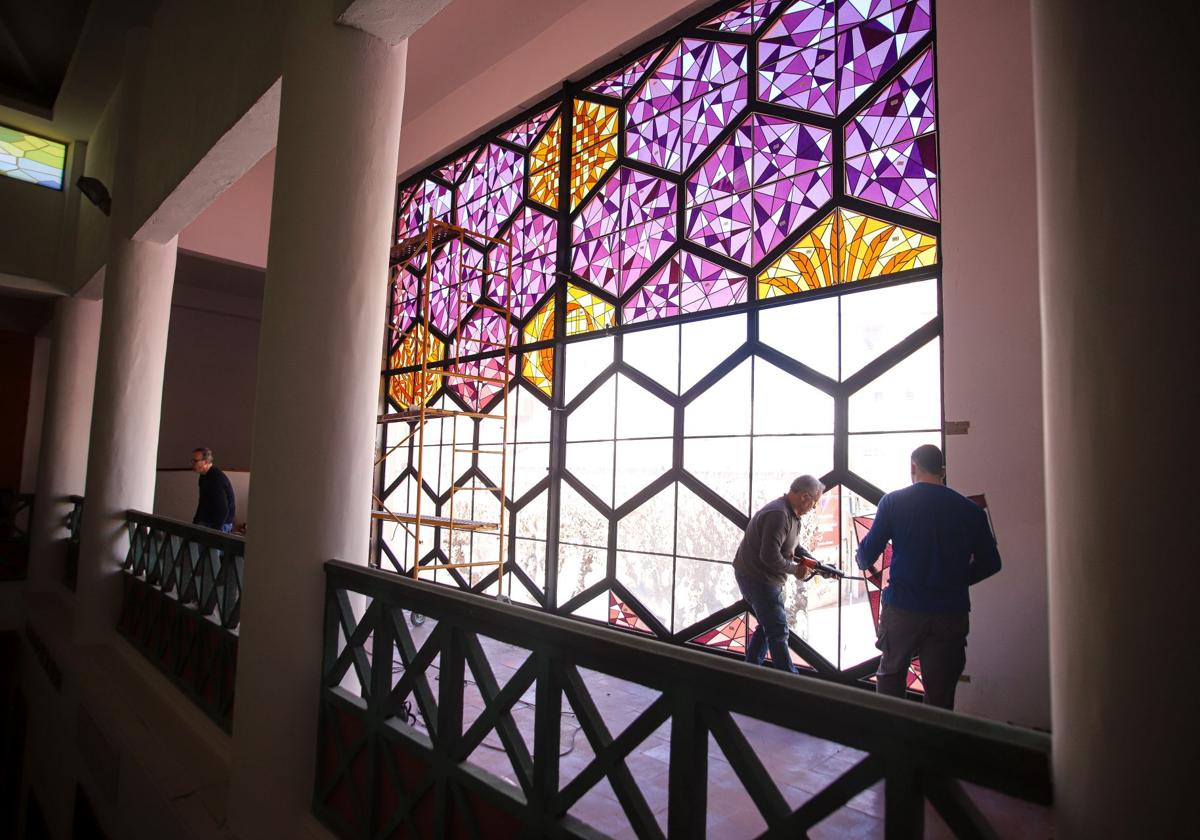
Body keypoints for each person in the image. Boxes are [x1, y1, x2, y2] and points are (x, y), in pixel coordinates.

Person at [855, 444, 1001, 709]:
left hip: (903, 608)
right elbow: (992, 563)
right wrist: (958, 579)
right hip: (950, 612)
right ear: (942, 471)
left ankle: (891, 743)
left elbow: (866, 557)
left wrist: (860, 557)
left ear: (913, 467)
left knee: (890, 677)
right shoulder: (970, 511)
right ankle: (933, 745)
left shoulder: (894, 502)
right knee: (940, 690)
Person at [733, 475, 825, 673]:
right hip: (757, 577)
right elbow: (769, 556)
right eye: (814, 503)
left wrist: (813, 562)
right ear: (804, 497)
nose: (813, 508)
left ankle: (749, 673)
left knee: (769, 626)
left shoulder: (790, 514)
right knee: (777, 630)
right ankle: (789, 680)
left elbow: (793, 545)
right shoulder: (779, 515)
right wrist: (796, 570)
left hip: (760, 575)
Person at [191, 447, 236, 533]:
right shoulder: (203, 476)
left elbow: (223, 509)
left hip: (219, 524)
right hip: (207, 521)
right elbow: (202, 502)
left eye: (195, 461)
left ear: (206, 462)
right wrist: (195, 522)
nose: (192, 464)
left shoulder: (216, 477)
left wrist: (215, 532)